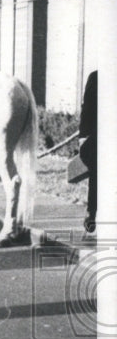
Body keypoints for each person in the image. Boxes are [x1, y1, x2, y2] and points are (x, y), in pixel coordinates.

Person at [79, 70, 97, 234]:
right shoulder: (97, 77)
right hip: (100, 138)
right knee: (96, 168)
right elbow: (87, 110)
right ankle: (91, 211)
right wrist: (83, 136)